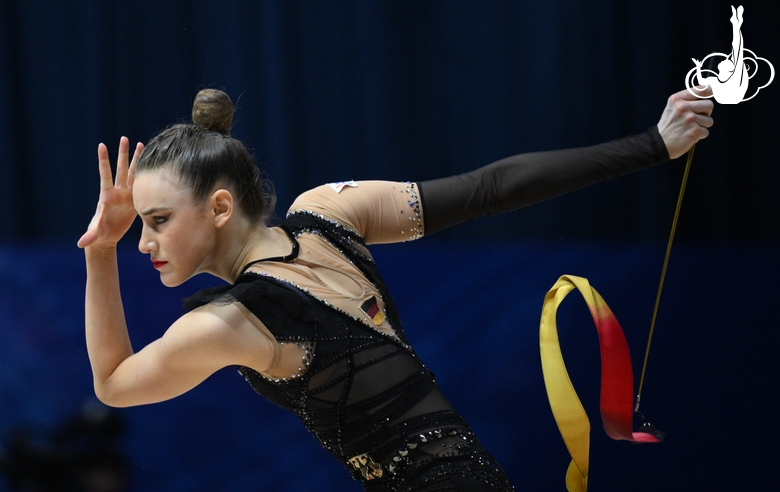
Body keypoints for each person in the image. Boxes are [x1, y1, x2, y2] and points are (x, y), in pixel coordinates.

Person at [78, 87, 713, 491]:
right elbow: (491, 188)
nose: (143, 242)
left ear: (219, 207)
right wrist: (653, 145)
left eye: (156, 221)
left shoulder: (230, 324)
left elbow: (112, 382)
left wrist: (99, 252)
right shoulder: (327, 213)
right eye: (138, 228)